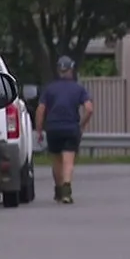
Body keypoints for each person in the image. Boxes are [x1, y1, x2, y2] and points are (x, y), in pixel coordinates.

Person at [35, 55, 93, 204]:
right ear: (71, 70)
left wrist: (39, 130)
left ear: (58, 70)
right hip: (70, 127)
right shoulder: (78, 88)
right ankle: (67, 192)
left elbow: (41, 110)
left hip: (53, 128)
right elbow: (89, 109)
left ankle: (58, 190)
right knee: (68, 161)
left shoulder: (49, 89)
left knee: (56, 161)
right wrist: (81, 125)